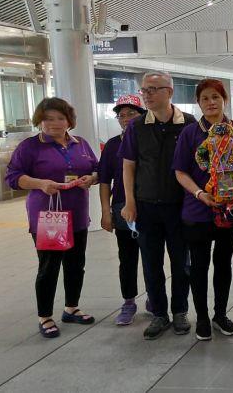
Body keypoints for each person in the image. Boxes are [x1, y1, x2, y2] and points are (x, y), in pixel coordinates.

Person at [5, 98, 99, 338]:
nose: (55, 123)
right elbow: (13, 177)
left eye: (60, 118)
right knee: (49, 266)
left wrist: (92, 178)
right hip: (48, 217)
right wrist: (40, 184)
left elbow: (95, 170)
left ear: (69, 121)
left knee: (76, 264)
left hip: (77, 213)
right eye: (48, 118)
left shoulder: (81, 144)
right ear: (40, 121)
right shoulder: (30, 146)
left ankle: (71, 308)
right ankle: (45, 316)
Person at [120, 71, 197, 340]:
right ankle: (160, 315)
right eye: (145, 90)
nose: (148, 94)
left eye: (154, 89)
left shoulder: (189, 124)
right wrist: (130, 202)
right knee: (151, 264)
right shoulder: (137, 126)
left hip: (179, 207)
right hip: (146, 206)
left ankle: (179, 311)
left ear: (170, 92)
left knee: (181, 263)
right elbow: (128, 166)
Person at [173, 79, 233, 341]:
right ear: (198, 103)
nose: (211, 102)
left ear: (224, 99)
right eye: (205, 98)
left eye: (215, 97)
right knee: (199, 266)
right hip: (198, 210)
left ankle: (220, 314)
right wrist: (200, 193)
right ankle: (202, 317)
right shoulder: (190, 134)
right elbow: (180, 172)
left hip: (229, 209)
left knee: (223, 263)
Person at [99, 94, 146, 326]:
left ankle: (155, 300)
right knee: (127, 258)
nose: (126, 119)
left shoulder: (150, 140)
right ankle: (128, 301)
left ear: (143, 115)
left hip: (149, 206)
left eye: (132, 114)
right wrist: (106, 212)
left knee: (151, 257)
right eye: (122, 115)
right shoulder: (112, 145)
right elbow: (105, 181)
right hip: (121, 208)